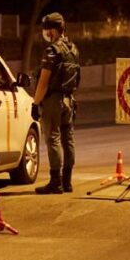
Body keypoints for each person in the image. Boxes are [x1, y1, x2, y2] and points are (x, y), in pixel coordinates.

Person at [33, 12, 80, 194]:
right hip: (69, 99)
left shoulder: (52, 51)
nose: (45, 33)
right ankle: (67, 182)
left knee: (53, 138)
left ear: (53, 31)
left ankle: (56, 182)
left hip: (53, 100)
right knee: (68, 140)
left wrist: (35, 103)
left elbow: (44, 82)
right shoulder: (73, 49)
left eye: (47, 29)